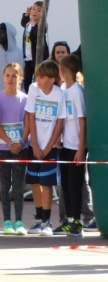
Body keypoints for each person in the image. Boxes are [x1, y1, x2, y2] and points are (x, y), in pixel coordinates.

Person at [25, 59, 66, 236]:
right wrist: (34, 143)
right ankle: (38, 217)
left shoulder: (59, 94)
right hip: (34, 145)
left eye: (42, 77)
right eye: (38, 76)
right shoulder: (33, 89)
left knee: (47, 184)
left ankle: (46, 222)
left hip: (50, 147)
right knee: (34, 181)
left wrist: (49, 146)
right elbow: (31, 117)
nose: (38, 80)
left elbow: (60, 122)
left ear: (52, 78)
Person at [0, 63, 30, 236]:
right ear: (3, 78)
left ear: (20, 78)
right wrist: (9, 142)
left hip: (21, 148)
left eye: (14, 76)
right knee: (4, 185)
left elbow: (28, 122)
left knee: (17, 185)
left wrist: (21, 142)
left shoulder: (25, 99)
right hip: (3, 148)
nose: (10, 79)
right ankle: (7, 221)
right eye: (7, 75)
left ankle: (20, 221)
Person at [54, 54, 86, 237]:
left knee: (75, 185)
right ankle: (68, 219)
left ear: (63, 71)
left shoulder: (77, 92)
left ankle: (78, 222)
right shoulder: (63, 89)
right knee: (64, 184)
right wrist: (59, 137)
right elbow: (63, 118)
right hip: (65, 145)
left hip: (76, 147)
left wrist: (81, 148)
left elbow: (82, 121)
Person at [21, 1, 49, 92]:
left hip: (38, 57)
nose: (35, 12)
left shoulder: (41, 25)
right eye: (33, 9)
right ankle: (28, 94)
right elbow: (23, 22)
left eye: (38, 10)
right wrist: (26, 14)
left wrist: (40, 22)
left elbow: (42, 31)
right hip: (28, 57)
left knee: (39, 77)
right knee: (27, 78)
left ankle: (39, 93)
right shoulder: (28, 23)